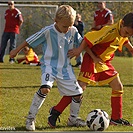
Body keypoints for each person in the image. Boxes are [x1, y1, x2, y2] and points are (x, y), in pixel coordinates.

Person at [10, 5, 86, 131]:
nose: (67, 29)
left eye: (69, 26)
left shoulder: (73, 30)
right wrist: (16, 50)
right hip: (49, 67)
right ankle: (30, 119)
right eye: (64, 26)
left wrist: (79, 50)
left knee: (78, 94)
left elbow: (82, 42)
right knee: (45, 89)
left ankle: (73, 119)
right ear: (56, 21)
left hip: (66, 68)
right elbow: (30, 40)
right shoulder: (48, 31)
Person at [67, 12, 133, 126]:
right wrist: (78, 51)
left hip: (103, 62)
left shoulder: (122, 33)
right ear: (122, 23)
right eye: (126, 32)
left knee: (118, 86)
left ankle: (116, 119)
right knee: (79, 89)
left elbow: (125, 41)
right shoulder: (109, 31)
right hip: (93, 60)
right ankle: (57, 111)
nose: (126, 36)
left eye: (129, 35)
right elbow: (88, 38)